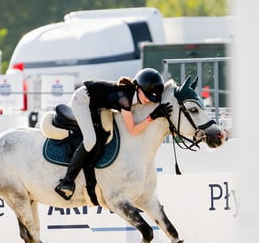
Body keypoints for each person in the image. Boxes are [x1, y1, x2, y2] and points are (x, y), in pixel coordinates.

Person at [54, 68, 172, 200]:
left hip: (95, 105)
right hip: (82, 100)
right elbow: (133, 130)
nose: (148, 100)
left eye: (152, 99)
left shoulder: (133, 95)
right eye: (147, 96)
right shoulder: (124, 99)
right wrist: (153, 116)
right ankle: (67, 181)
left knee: (102, 138)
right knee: (90, 140)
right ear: (138, 88)